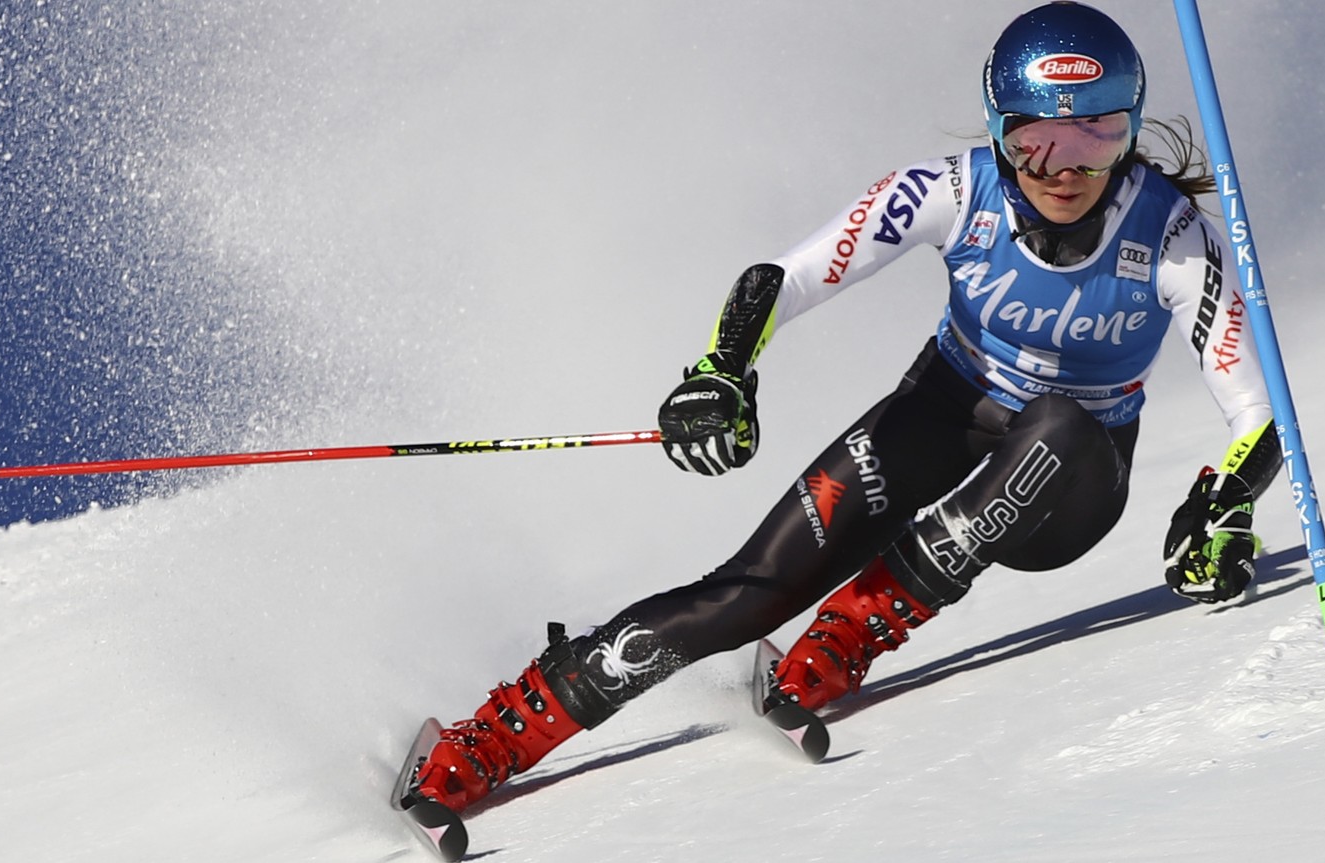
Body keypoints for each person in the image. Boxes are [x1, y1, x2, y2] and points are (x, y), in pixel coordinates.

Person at [404, 1, 1280, 814]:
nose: (1065, 170)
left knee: (1058, 422)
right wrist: (725, 370)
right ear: (999, 130)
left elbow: (1256, 404)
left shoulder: (1170, 235)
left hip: (1071, 486)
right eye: (1037, 142)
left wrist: (1226, 504)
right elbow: (783, 279)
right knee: (746, 592)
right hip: (948, 405)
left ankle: (853, 631)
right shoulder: (952, 190)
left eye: (1097, 140)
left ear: (1129, 135)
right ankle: (500, 734)